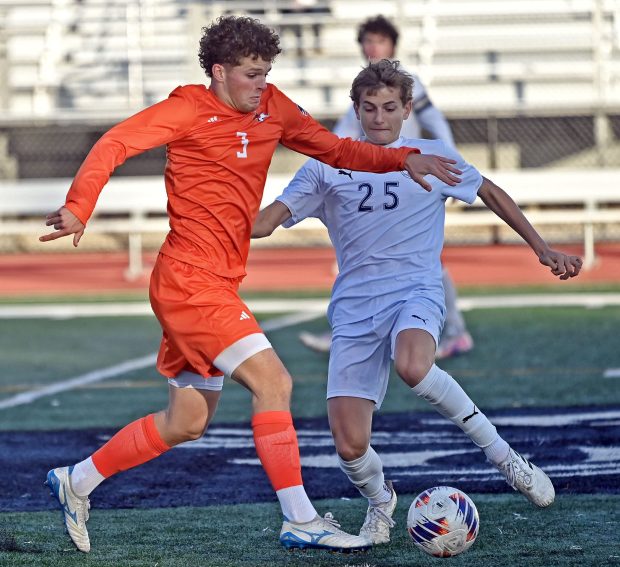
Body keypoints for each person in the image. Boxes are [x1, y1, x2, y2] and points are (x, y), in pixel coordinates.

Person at [39, 16, 462, 555]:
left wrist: (402, 157)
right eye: (250, 74)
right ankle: (301, 519)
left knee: (186, 421)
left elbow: (337, 150)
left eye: (266, 72)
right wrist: (79, 207)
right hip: (189, 283)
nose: (261, 83)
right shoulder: (188, 108)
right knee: (274, 383)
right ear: (218, 72)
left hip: (215, 282)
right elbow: (115, 143)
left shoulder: (273, 106)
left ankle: (76, 481)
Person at [252, 59, 582, 545]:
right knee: (349, 445)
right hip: (354, 309)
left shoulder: (430, 154)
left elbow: (489, 191)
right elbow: (266, 221)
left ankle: (504, 458)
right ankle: (381, 501)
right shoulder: (326, 163)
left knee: (413, 365)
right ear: (356, 109)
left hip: (416, 290)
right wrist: (212, 219)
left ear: (408, 109)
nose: (380, 117)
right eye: (369, 108)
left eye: (390, 107)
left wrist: (543, 248)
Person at [299, 15, 473, 359]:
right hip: (372, 179)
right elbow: (342, 136)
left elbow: (434, 120)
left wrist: (447, 165)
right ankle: (349, 330)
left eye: (379, 40)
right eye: (367, 40)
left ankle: (454, 329)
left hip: (411, 178)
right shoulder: (364, 87)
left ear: (393, 45)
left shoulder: (406, 82)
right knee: (361, 256)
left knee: (423, 260)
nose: (372, 47)